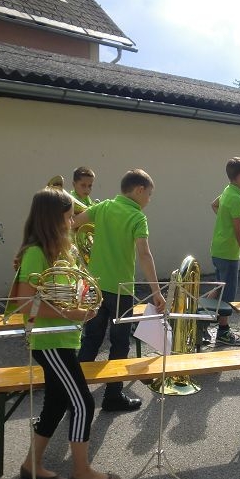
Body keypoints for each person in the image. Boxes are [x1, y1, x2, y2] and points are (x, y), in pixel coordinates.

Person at [13, 187, 119, 479]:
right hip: (50, 342)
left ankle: (31, 465)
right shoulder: (36, 253)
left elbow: (73, 289)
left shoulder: (63, 251)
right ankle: (82, 472)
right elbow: (25, 303)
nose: (73, 222)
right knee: (83, 403)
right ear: (51, 219)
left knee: (57, 402)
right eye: (69, 217)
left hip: (66, 339)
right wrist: (71, 313)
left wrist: (86, 299)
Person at [75, 169, 165, 411]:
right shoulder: (137, 217)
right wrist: (156, 291)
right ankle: (112, 396)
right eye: (149, 194)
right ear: (139, 190)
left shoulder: (103, 206)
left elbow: (73, 223)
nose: (149, 199)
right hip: (120, 291)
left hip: (94, 287)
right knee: (119, 343)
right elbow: (144, 255)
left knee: (91, 339)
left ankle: (74, 394)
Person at [210, 157, 240, 345]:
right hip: (228, 253)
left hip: (217, 249)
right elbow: (239, 233)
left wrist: (224, 221)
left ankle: (200, 319)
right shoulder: (236, 199)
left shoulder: (227, 191)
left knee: (219, 289)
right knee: (227, 294)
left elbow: (214, 205)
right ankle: (223, 331)